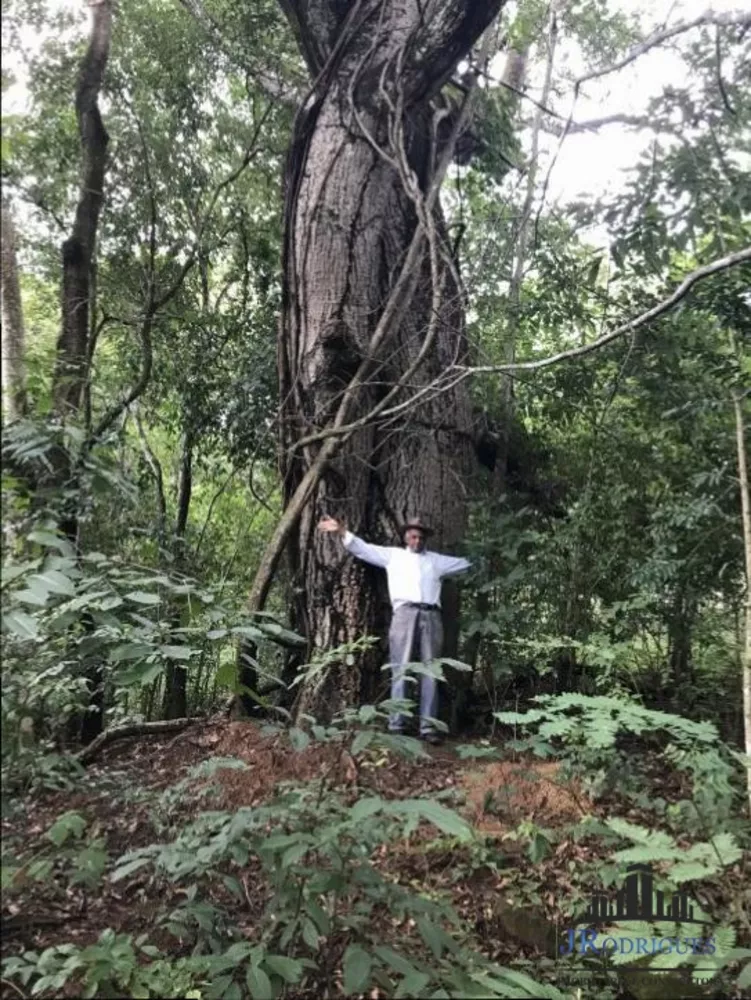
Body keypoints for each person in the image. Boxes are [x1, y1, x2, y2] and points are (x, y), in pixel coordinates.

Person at [317, 515, 471, 744]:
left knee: (431, 671)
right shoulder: (393, 556)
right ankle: (397, 723)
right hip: (404, 614)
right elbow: (363, 549)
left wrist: (490, 553)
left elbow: (465, 563)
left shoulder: (436, 561)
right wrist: (341, 530)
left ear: (425, 538)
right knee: (401, 668)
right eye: (412, 536)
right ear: (405, 537)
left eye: (420, 536)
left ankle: (428, 727)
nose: (416, 540)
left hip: (431, 615)